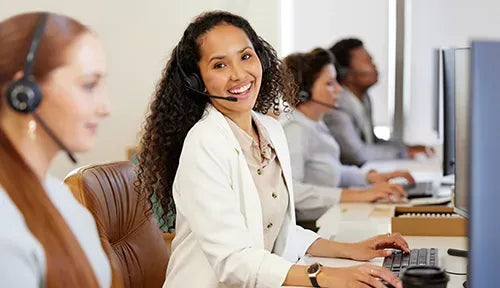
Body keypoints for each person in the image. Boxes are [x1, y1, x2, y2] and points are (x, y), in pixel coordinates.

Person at [137, 11, 407, 288]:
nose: (239, 74)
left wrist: (353, 249)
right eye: (220, 65)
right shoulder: (205, 143)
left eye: (245, 56)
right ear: (197, 81)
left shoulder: (270, 130)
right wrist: (324, 276)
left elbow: (280, 233)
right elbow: (234, 260)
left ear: (261, 59)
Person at [0, 12, 117, 287]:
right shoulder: (5, 223)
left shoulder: (59, 196)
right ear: (24, 93)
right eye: (89, 85)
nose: (105, 107)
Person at [281, 49, 415, 221]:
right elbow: (292, 191)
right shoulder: (295, 130)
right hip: (311, 226)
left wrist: (370, 177)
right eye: (329, 84)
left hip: (329, 216)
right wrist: (358, 195)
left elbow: (328, 171)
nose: (339, 89)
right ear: (303, 92)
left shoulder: (315, 123)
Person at [324, 38, 432, 166]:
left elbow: (371, 141)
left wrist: (405, 147)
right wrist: (404, 152)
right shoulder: (337, 106)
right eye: (368, 61)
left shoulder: (364, 98)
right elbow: (358, 154)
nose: (374, 66)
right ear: (346, 72)